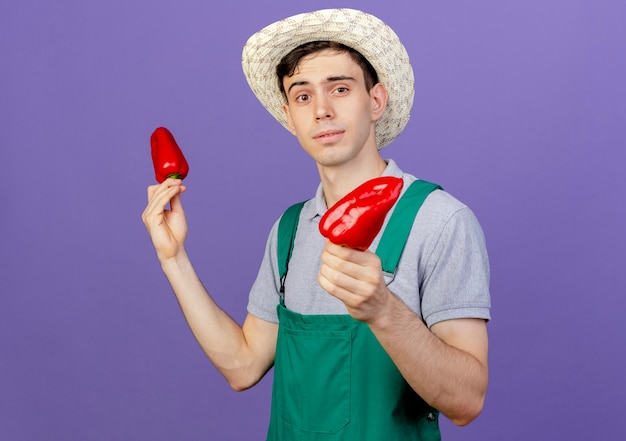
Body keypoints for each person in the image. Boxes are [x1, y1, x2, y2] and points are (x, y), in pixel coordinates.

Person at [142, 8, 490, 440]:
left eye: (340, 88)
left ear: (376, 100)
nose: (322, 110)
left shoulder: (440, 220)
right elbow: (242, 365)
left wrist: (383, 310)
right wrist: (173, 257)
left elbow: (466, 401)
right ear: (290, 116)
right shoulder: (290, 230)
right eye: (303, 96)